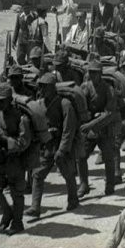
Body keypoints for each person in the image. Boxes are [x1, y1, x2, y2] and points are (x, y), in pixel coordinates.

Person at [26, 73, 80, 217]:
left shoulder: (64, 104)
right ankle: (35, 207)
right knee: (37, 175)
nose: (42, 90)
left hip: (61, 145)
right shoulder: (39, 104)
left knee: (68, 174)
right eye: (40, 87)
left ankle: (73, 199)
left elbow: (69, 128)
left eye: (45, 87)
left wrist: (63, 148)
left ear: (52, 87)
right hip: (46, 147)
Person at [0, 83, 32, 234]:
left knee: (16, 193)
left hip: (14, 161)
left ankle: (17, 222)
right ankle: (7, 212)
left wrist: (4, 139)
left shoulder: (21, 118)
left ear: (10, 100)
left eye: (1, 101)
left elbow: (23, 143)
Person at [78, 56, 118, 197]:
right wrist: (88, 118)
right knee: (81, 156)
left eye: (95, 72)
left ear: (100, 73)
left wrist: (92, 123)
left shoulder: (108, 89)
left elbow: (109, 113)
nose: (92, 75)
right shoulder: (85, 87)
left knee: (108, 157)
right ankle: (83, 184)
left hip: (105, 129)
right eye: (90, 72)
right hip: (90, 131)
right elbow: (81, 107)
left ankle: (110, 184)